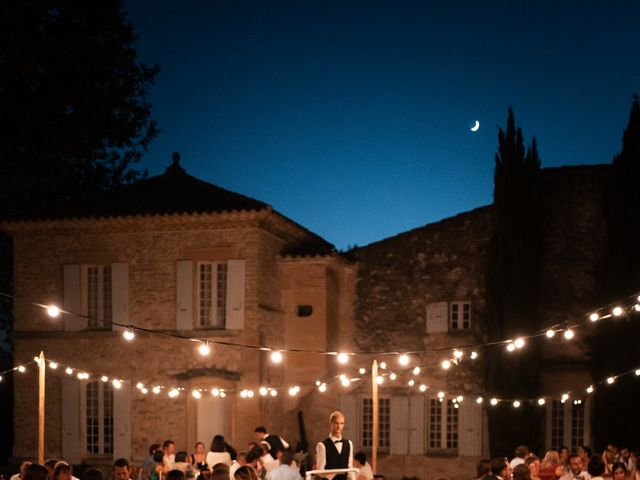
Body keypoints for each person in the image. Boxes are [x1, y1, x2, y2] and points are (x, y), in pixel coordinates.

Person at [315, 411, 354, 480]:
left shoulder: (349, 444)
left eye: (341, 423)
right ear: (331, 424)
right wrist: (333, 474)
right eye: (336, 423)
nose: (339, 426)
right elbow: (320, 471)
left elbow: (350, 468)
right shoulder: (322, 445)